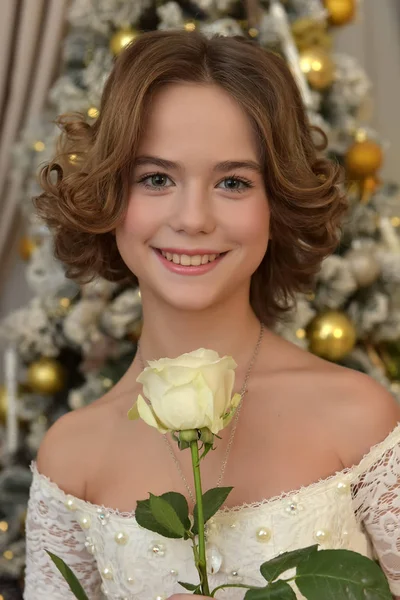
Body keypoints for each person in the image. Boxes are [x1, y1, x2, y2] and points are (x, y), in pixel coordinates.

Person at [24, 29, 400, 600]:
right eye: (156, 178)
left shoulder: (363, 420)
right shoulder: (70, 458)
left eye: (233, 182)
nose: (193, 218)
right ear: (110, 197)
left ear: (276, 202)